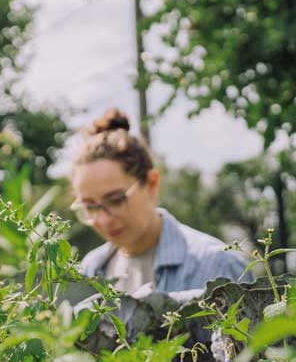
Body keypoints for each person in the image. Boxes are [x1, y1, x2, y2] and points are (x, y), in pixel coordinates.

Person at [72, 109, 253, 297]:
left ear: (151, 183)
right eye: (90, 206)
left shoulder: (218, 265)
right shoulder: (90, 271)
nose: (103, 219)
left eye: (116, 200)